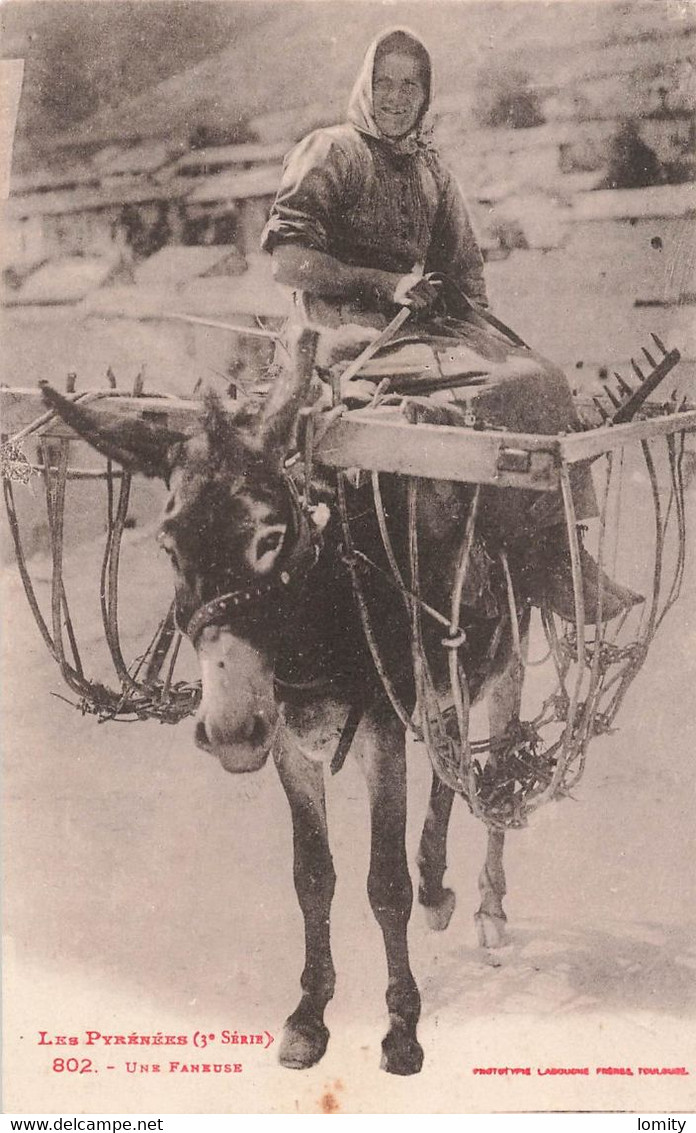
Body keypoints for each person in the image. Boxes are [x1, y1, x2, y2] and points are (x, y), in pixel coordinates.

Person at [261, 27, 640, 623]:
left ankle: (558, 548)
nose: (395, 97)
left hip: (414, 334)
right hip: (344, 334)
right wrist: (386, 285)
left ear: (426, 94)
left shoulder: (430, 172)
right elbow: (289, 262)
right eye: (383, 82)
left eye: (409, 85)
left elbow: (463, 269)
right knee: (501, 391)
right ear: (365, 84)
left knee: (541, 377)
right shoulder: (330, 152)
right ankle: (512, 554)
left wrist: (485, 334)